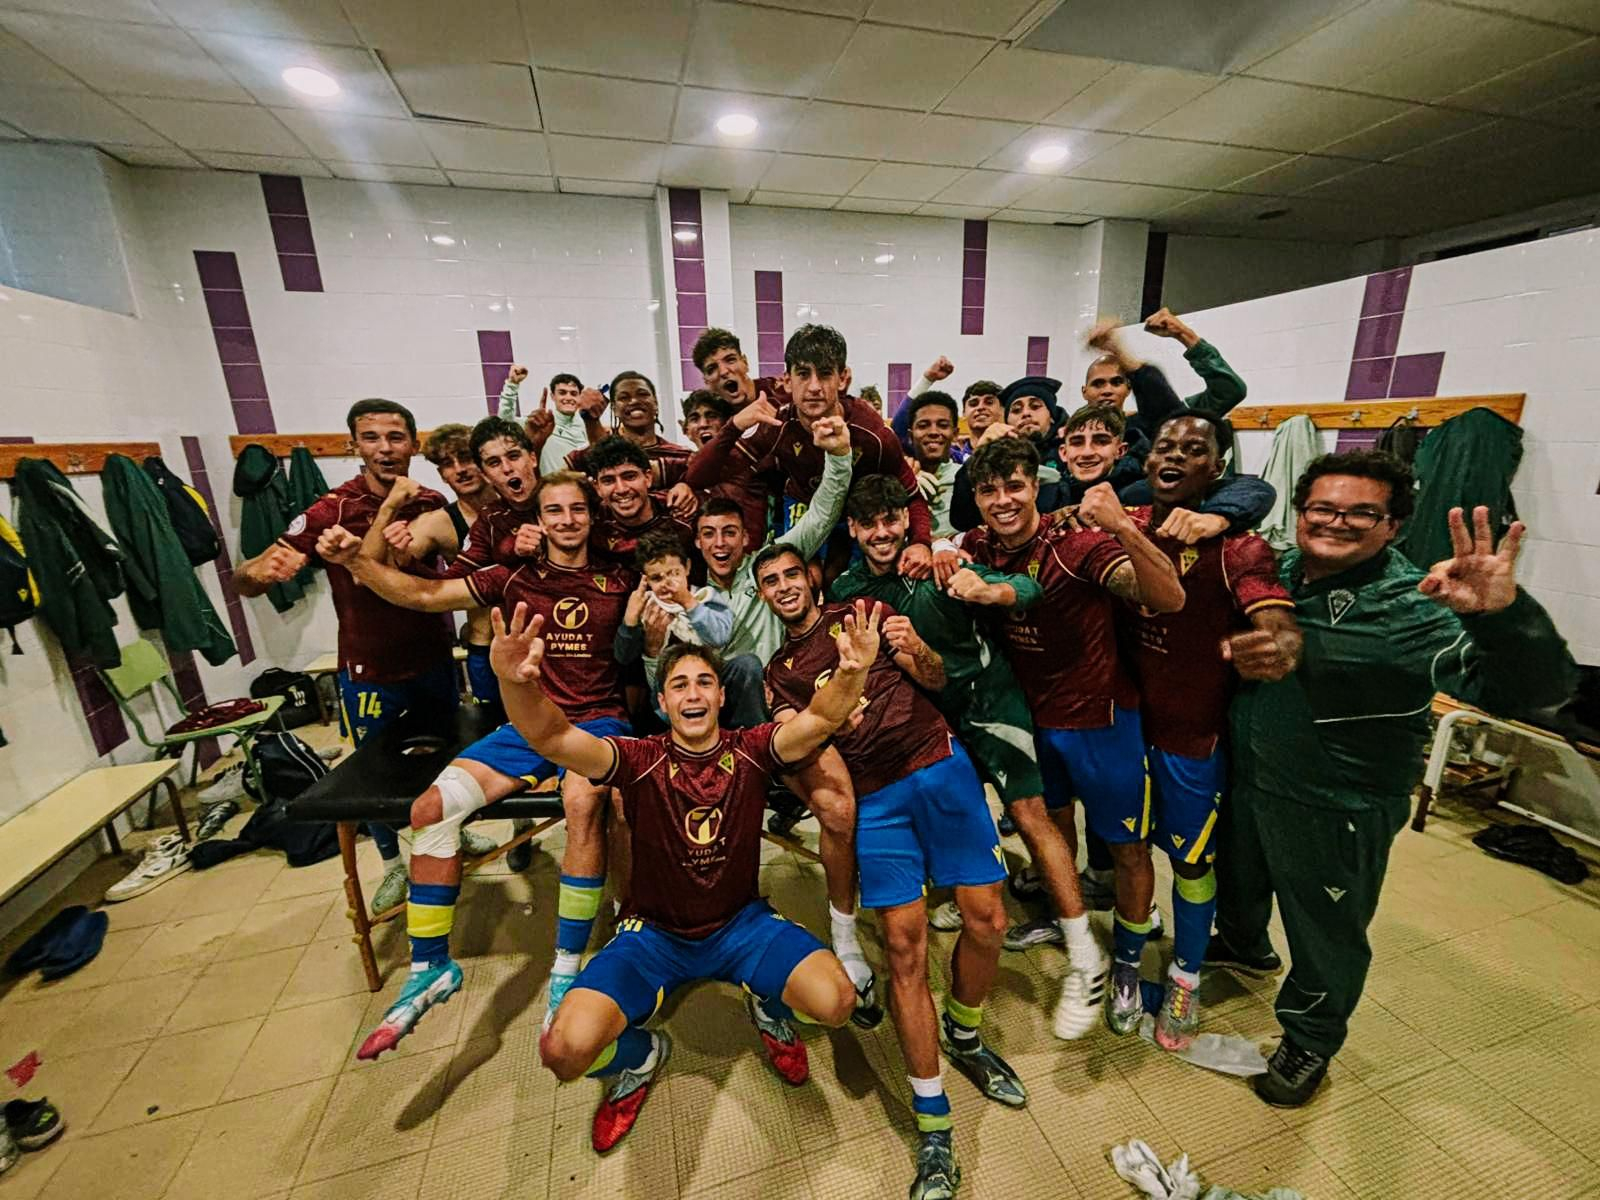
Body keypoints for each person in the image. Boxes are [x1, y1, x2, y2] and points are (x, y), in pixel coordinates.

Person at [1209, 451, 1575, 1107]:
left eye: (1361, 512)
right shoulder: (1279, 571)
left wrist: (1501, 617)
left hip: (1336, 802)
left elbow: (1535, 692)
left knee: (1326, 928)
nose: (1336, 522)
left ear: (1395, 526)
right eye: (1322, 507)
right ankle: (1242, 944)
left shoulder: (1416, 609)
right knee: (1241, 876)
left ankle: (1312, 1037)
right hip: (1254, 774)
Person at [494, 604, 878, 1152]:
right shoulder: (638, 758)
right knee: (563, 1052)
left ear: (722, 696)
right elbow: (553, 737)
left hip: (740, 924)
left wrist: (852, 671)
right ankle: (640, 1056)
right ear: (662, 702)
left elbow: (818, 720)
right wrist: (514, 683)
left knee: (837, 1003)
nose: (694, 694)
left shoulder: (752, 750)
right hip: (652, 936)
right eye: (679, 685)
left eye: (705, 682)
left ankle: (767, 1000)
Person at [313, 472, 635, 1059]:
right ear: (537, 518)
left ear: (592, 516)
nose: (566, 520)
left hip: (597, 722)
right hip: (525, 724)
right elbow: (422, 595)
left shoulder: (619, 577)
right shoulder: (510, 578)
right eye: (553, 510)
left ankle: (566, 968)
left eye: (576, 510)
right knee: (430, 808)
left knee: (583, 801)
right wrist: (358, 562)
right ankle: (432, 966)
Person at [757, 542, 1016, 1200]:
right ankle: (934, 1128)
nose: (784, 587)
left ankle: (964, 1032)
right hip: (874, 797)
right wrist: (835, 695)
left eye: (791, 574)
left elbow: (934, 678)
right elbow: (796, 742)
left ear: (810, 578)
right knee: (904, 945)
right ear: (761, 595)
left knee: (988, 921)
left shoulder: (865, 611)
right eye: (770, 582)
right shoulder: (779, 673)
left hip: (939, 764)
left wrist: (912, 649)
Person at [829, 474, 1111, 1041]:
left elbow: (1028, 590)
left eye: (892, 521)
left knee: (1031, 815)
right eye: (870, 525)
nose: (883, 533)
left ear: (906, 522)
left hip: (989, 701)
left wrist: (987, 590)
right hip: (931, 719)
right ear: (855, 530)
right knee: (952, 815)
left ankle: (1085, 954)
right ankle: (969, 890)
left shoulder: (940, 564)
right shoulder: (848, 587)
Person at [960, 436, 1187, 1036]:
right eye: (989, 490)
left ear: (1036, 484)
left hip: (1102, 721)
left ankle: (1130, 965)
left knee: (1127, 851)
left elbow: (1168, 596)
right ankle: (1070, 922)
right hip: (1036, 722)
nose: (1003, 500)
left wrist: (1123, 527)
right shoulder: (979, 545)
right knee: (1053, 832)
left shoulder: (1077, 544)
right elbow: (950, 554)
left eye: (1014, 486)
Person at [1115, 414, 1301, 1051]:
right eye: (1165, 445)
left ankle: (1187, 975)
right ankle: (1126, 963)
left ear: (1216, 470)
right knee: (1129, 855)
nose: (1175, 456)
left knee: (1192, 866)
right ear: (1146, 460)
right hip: (1124, 731)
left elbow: (1269, 605)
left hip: (1192, 740)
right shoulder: (1128, 525)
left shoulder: (1238, 545)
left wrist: (1277, 636)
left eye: (1194, 450)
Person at [234, 399, 458, 913]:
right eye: (372, 437)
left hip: (434, 660)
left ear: (414, 444)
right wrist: (260, 569)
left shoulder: (429, 500)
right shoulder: (330, 510)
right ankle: (393, 865)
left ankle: (450, 839)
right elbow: (246, 580)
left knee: (447, 762)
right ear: (353, 445)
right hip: (368, 668)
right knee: (369, 777)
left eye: (396, 437)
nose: (385, 448)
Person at [691, 418, 878, 1016]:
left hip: (800, 718)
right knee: (742, 666)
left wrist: (841, 454)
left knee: (840, 807)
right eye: (708, 535)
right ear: (697, 544)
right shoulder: (689, 599)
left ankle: (845, 934)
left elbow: (825, 509)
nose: (721, 544)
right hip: (738, 736)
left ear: (746, 540)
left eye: (730, 533)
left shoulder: (767, 571)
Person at [687, 324, 934, 578]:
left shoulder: (872, 433)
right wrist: (734, 426)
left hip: (859, 517)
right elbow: (698, 478)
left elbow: (912, 496)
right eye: (803, 374)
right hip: (804, 507)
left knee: (856, 582)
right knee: (802, 579)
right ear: (786, 380)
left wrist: (921, 543)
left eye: (825, 374)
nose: (814, 386)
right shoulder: (775, 426)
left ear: (843, 378)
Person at [614, 528, 734, 714]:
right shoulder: (643, 605)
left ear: (687, 567)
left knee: (746, 663)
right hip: (665, 694)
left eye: (673, 573)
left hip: (713, 684)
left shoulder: (705, 597)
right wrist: (630, 620)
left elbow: (719, 638)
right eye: (656, 578)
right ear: (645, 580)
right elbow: (624, 657)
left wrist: (688, 602)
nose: (666, 583)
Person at [582, 435, 697, 567]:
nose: (621, 489)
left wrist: (688, 486)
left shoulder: (681, 511)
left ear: (648, 478)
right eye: (608, 480)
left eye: (629, 476)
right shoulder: (593, 525)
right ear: (598, 488)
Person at [680, 388, 769, 549]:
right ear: (685, 430)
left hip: (753, 564)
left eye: (711, 416)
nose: (703, 424)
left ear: (726, 423)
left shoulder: (747, 461)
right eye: (695, 418)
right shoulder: (680, 469)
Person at [498, 366, 602, 476]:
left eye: (573, 393)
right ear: (553, 396)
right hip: (550, 489)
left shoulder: (588, 425)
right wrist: (512, 385)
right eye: (562, 393)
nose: (568, 397)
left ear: (580, 396)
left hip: (582, 489)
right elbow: (504, 422)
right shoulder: (540, 424)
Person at [903, 391, 962, 539]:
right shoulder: (897, 480)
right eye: (923, 426)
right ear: (910, 436)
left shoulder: (967, 478)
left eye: (943, 425)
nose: (934, 432)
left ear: (955, 434)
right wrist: (906, 484)